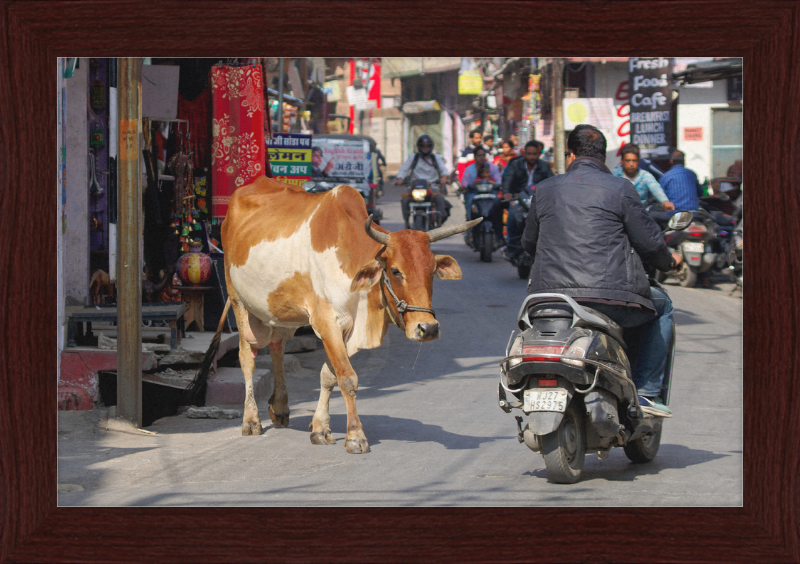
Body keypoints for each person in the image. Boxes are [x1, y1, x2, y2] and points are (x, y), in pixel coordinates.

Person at [521, 124, 683, 417]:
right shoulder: (621, 188)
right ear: (605, 158)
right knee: (664, 305)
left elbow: (529, 243)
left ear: (570, 155)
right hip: (609, 300)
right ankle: (645, 392)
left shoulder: (544, 189)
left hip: (547, 300)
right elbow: (649, 243)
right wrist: (670, 262)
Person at [500, 140, 554, 259]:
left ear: (538, 154)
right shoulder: (516, 164)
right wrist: (507, 193)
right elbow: (508, 180)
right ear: (524, 154)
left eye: (534, 154)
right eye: (529, 154)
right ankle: (511, 246)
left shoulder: (544, 166)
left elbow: (552, 182)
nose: (532, 157)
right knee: (512, 214)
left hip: (538, 200)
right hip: (519, 199)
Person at [612, 143, 674, 228]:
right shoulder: (613, 174)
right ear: (622, 161)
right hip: (618, 217)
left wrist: (665, 201)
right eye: (628, 160)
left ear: (638, 161)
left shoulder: (645, 175)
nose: (631, 164)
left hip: (640, 217)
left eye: (634, 161)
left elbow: (655, 187)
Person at [396, 134, 451, 229]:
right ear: (419, 147)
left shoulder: (436, 158)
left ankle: (438, 221)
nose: (425, 148)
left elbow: (443, 170)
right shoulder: (413, 157)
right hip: (414, 187)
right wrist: (400, 178)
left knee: (440, 199)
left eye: (427, 146)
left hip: (432, 186)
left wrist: (444, 177)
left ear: (431, 147)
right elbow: (404, 169)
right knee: (404, 200)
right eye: (423, 146)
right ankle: (407, 222)